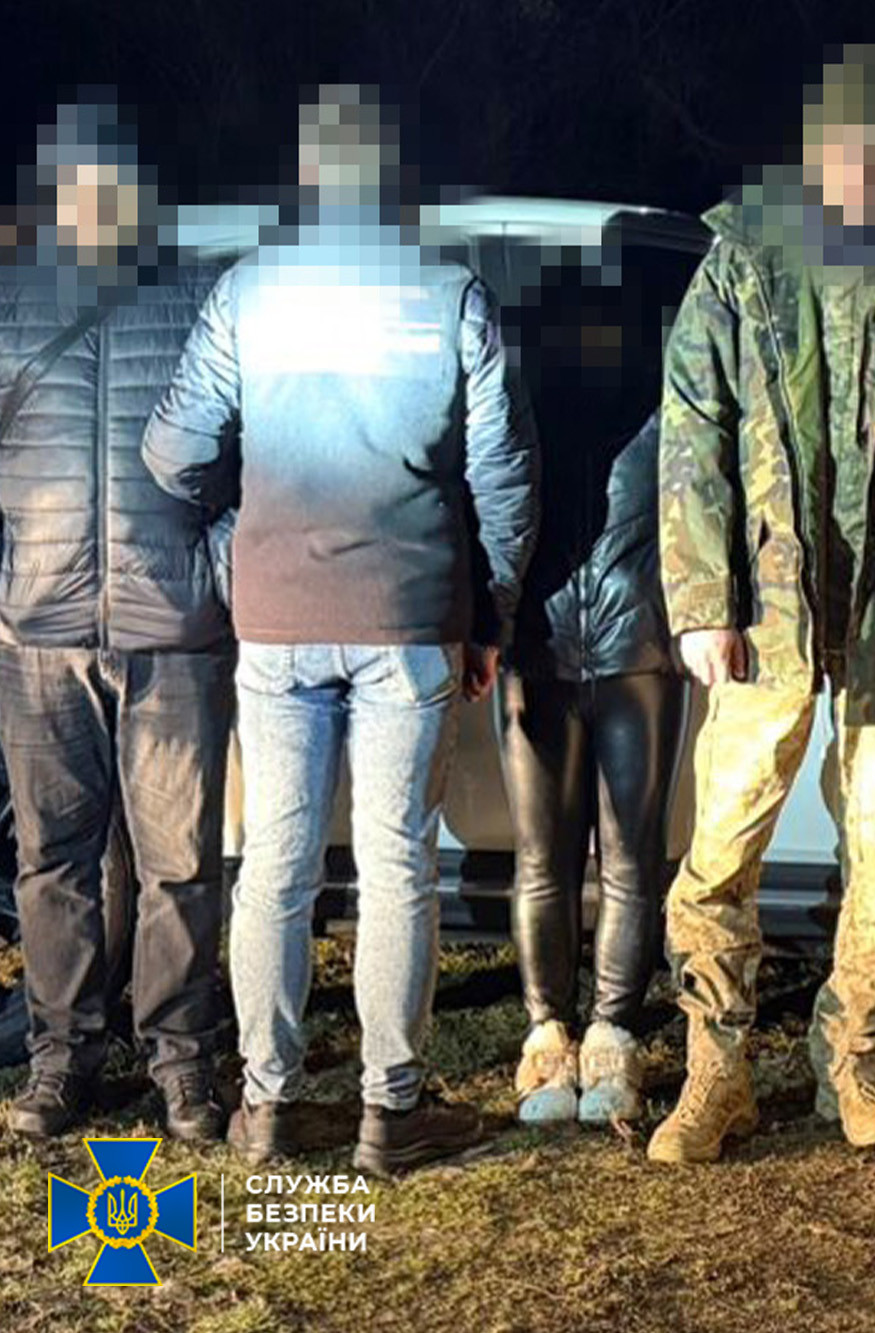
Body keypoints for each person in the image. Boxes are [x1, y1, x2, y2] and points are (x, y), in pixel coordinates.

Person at [144, 85, 538, 1174]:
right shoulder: (449, 295)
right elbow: (503, 475)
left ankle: (267, 1104)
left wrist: (241, 530)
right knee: (398, 860)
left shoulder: (249, 292)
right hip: (410, 616)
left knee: (275, 863)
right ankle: (389, 1110)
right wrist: (491, 613)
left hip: (276, 620)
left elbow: (174, 452)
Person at [649, 45, 875, 1162]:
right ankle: (716, 1070)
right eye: (841, 146)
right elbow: (692, 432)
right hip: (767, 618)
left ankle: (854, 1060)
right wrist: (701, 597)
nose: (858, 166)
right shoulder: (741, 267)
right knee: (721, 847)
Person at [0, 100, 235, 1141]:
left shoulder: (196, 296)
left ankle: (182, 1059)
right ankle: (62, 1062)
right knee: (52, 860)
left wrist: (213, 576)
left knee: (179, 861)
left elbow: (247, 455)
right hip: (39, 634)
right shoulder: (10, 305)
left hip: (172, 630)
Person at [501, 269, 679, 1126]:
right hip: (585, 646)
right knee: (588, 857)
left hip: (616, 647)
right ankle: (564, 1033)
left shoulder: (649, 402)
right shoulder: (642, 403)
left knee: (599, 857)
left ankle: (596, 1032)